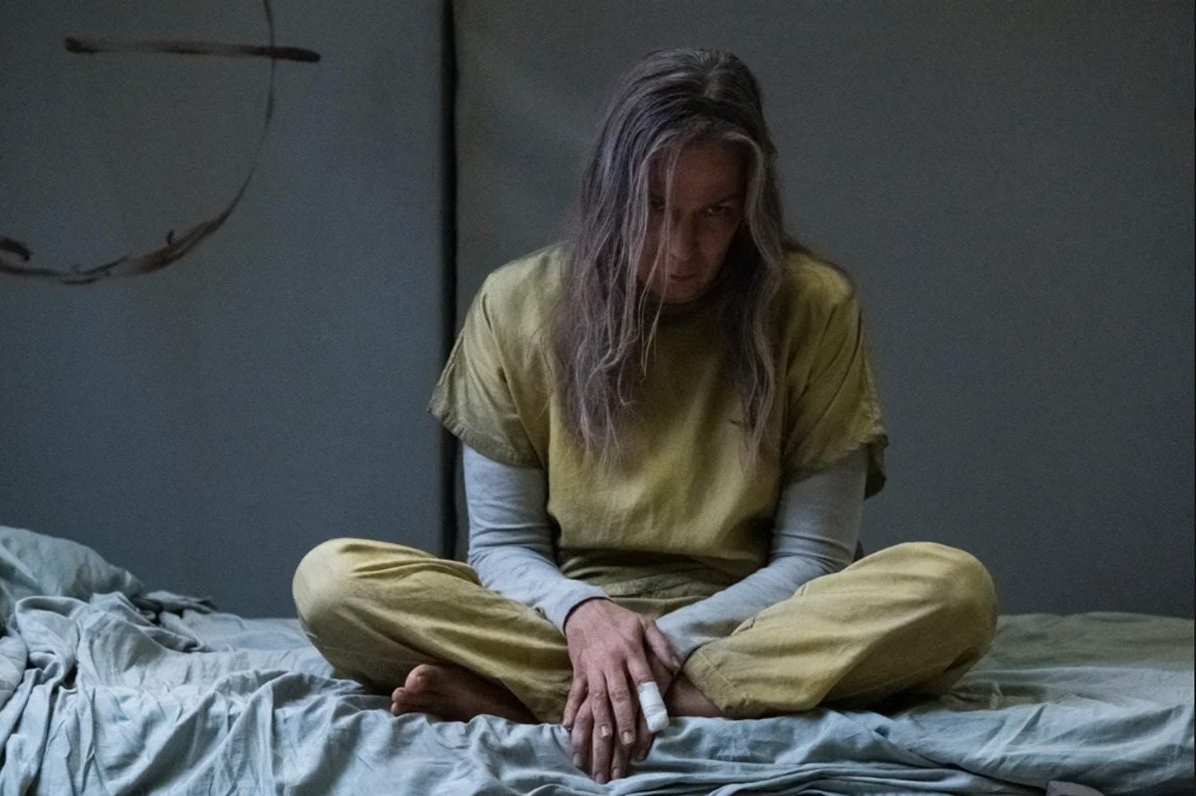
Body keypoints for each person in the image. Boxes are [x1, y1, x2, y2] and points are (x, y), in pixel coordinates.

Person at [292, 47, 998, 785]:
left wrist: (653, 647)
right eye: (655, 208)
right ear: (610, 193)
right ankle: (679, 702)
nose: (682, 250)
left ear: (750, 205)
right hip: (562, 621)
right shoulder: (515, 304)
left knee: (953, 591)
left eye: (716, 213)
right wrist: (588, 618)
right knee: (333, 582)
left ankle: (543, 703)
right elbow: (503, 547)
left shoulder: (815, 306)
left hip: (751, 623)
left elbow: (814, 560)